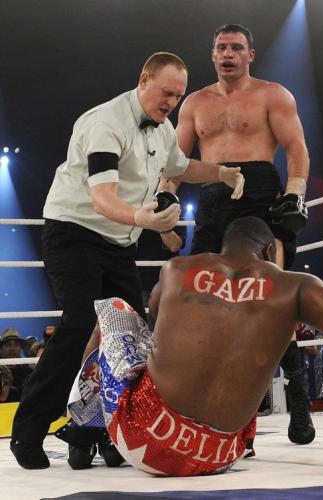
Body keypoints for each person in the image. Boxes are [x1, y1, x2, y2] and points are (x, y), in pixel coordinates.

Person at [11, 51, 245, 470]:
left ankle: (111, 431)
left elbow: (180, 166)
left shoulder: (163, 129)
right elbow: (102, 198)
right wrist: (144, 220)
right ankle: (28, 432)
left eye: (178, 96)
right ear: (143, 80)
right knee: (80, 322)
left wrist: (222, 173)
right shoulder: (105, 122)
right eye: (166, 92)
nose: (171, 102)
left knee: (132, 337)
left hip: (119, 242)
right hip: (74, 232)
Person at [64, 217, 323, 476]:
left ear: (224, 248)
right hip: (219, 454)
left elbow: (153, 318)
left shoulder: (176, 268)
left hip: (142, 433)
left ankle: (84, 432)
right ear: (269, 252)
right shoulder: (291, 286)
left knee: (112, 311)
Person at [172, 24, 312, 443]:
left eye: (236, 47)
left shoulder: (274, 95)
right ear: (212, 55)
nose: (228, 53)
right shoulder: (195, 103)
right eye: (221, 47)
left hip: (261, 193)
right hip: (212, 198)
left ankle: (299, 399)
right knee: (204, 300)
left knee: (269, 296)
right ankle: (220, 413)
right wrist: (164, 197)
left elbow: (296, 148)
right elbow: (175, 160)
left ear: (250, 54)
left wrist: (295, 194)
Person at [0, 328, 32, 401]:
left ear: (21, 349)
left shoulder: (28, 372)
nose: (12, 349)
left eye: (16, 345)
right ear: (0, 349)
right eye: (8, 345)